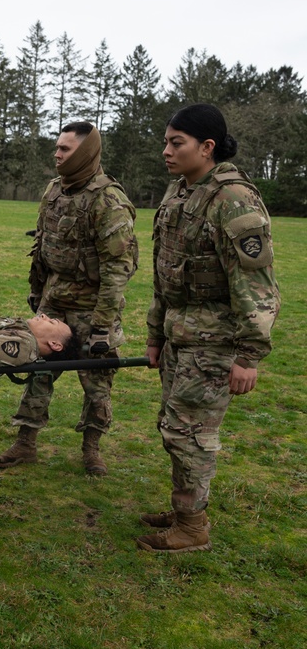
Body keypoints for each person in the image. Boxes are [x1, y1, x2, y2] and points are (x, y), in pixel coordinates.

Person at [137, 104, 280, 553]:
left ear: (207, 146)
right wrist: (155, 335)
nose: (166, 151)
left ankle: (192, 528)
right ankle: (185, 507)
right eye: (166, 141)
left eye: (176, 142)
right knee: (175, 426)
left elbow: (256, 286)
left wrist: (248, 357)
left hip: (213, 343)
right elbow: (167, 275)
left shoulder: (232, 199)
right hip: (181, 336)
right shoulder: (180, 192)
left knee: (190, 433)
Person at [0, 122, 138, 476]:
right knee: (36, 370)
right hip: (53, 302)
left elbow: (118, 268)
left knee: (97, 381)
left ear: (86, 153)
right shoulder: (54, 190)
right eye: (57, 148)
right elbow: (40, 245)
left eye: (65, 149)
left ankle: (92, 449)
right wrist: (37, 291)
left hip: (93, 308)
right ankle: (25, 443)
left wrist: (103, 326)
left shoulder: (109, 200)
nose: (56, 155)